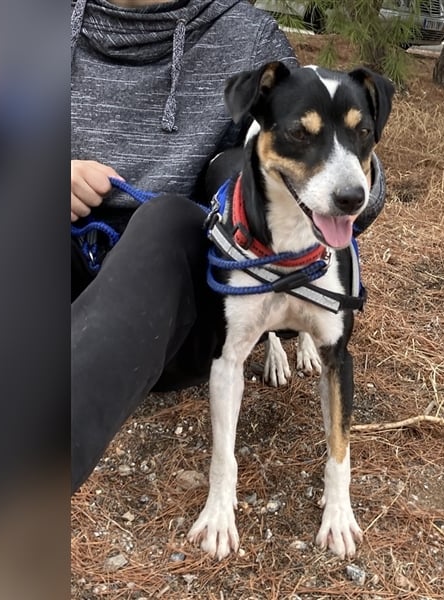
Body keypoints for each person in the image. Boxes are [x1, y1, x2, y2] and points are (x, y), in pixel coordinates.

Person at [70, 0, 387, 492]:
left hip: (183, 296)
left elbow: (297, 142)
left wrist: (356, 181)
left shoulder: (245, 36)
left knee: (172, 213)